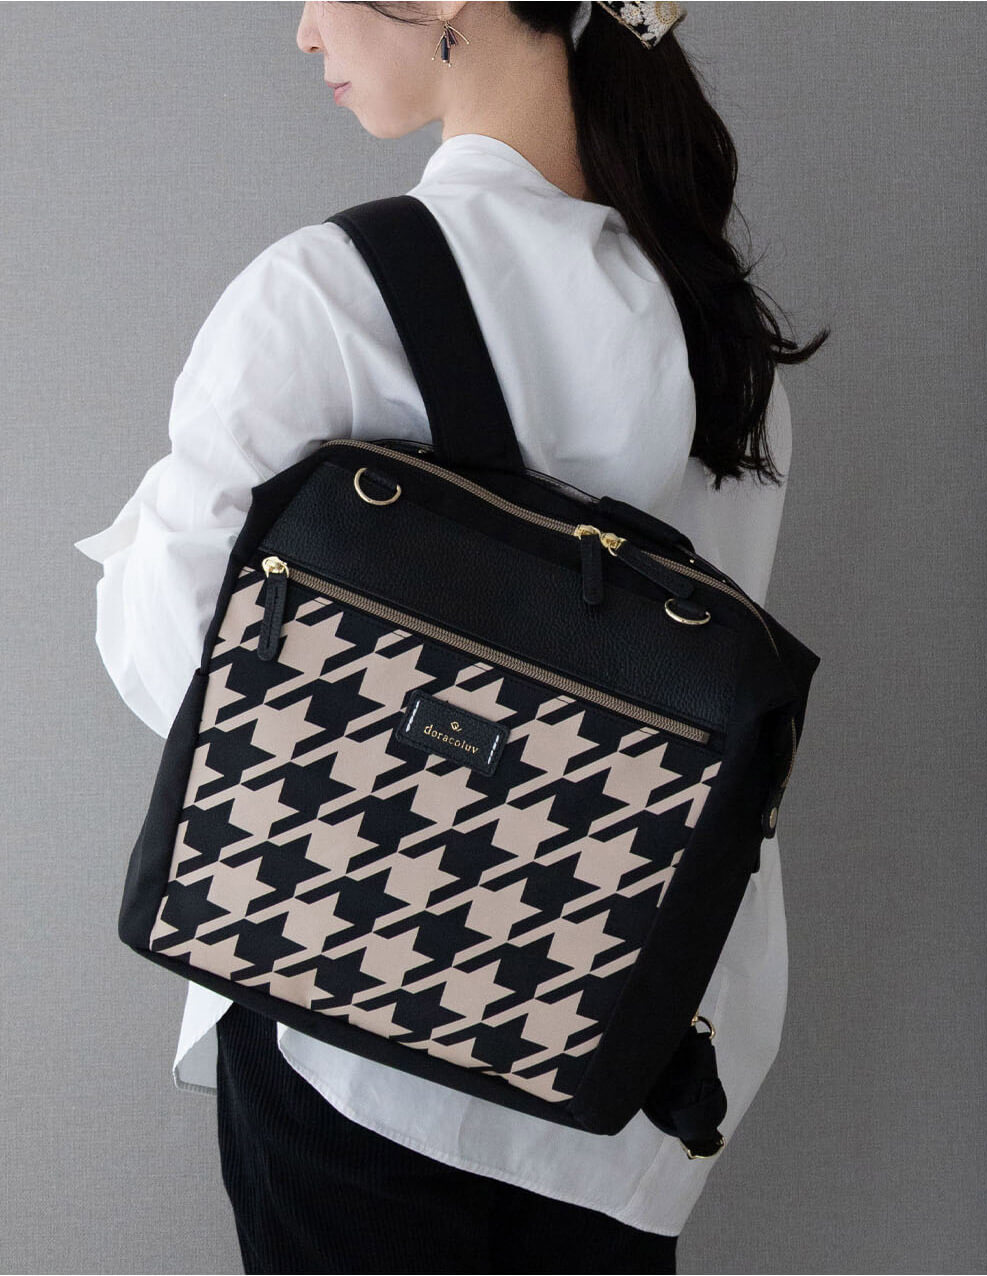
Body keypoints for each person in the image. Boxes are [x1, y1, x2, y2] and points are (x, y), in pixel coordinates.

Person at [74, 2, 828, 1272]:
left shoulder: (333, 294)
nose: (304, 31)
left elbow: (182, 670)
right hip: (615, 1056)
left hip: (350, 1005)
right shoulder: (723, 341)